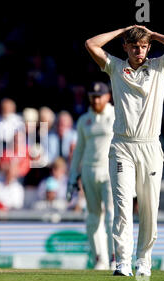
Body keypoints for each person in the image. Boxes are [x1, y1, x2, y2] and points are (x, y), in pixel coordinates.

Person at [85, 25, 164, 276]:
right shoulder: (116, 67)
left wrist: (152, 34)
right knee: (122, 205)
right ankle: (122, 262)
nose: (138, 51)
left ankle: (144, 260)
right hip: (122, 145)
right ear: (126, 47)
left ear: (148, 47)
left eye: (143, 46)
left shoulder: (159, 66)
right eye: (134, 46)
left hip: (150, 145)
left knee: (149, 206)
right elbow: (91, 44)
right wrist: (123, 31)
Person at [67, 81, 115, 270]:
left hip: (110, 169)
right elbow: (79, 150)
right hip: (88, 170)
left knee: (112, 215)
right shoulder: (84, 120)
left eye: (99, 96)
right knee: (93, 216)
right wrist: (72, 176)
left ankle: (115, 258)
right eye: (92, 96)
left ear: (107, 97)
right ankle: (100, 259)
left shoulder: (116, 115)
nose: (95, 100)